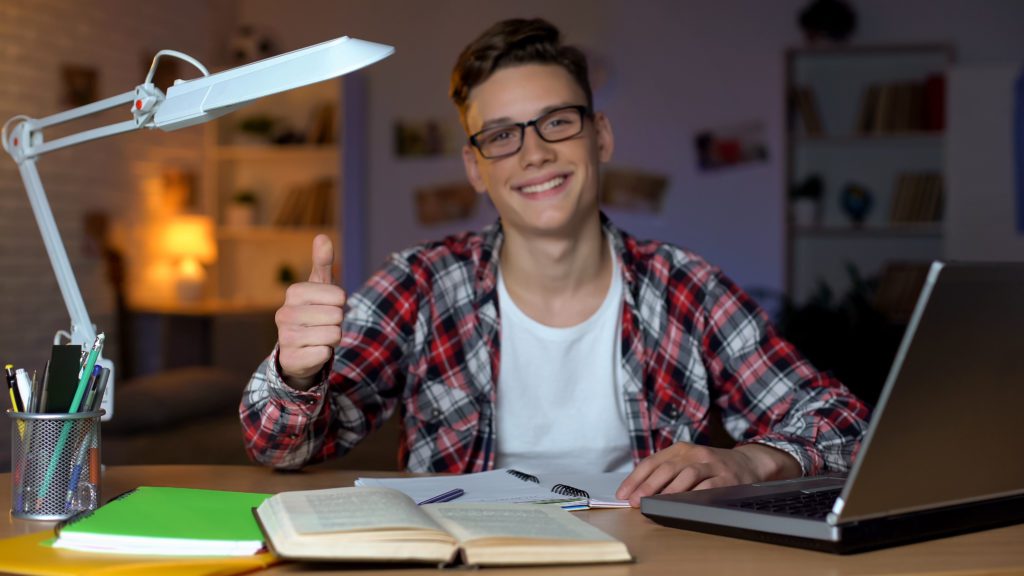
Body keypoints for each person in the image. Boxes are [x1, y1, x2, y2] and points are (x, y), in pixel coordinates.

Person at [240, 18, 869, 506]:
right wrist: (295, 377)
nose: (534, 153)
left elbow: (845, 426)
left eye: (556, 123)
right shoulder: (419, 283)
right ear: (476, 168)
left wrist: (753, 461)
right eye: (502, 135)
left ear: (600, 137)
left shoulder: (687, 286)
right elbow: (283, 450)